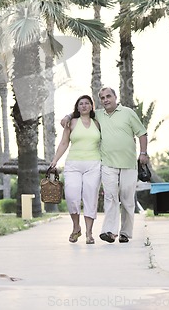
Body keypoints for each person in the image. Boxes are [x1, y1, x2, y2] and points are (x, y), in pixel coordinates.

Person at [61, 87, 148, 243]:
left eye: (108, 96)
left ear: (115, 97)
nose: (106, 99)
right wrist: (68, 115)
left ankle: (125, 233)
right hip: (107, 164)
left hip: (129, 164)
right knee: (110, 197)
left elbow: (142, 133)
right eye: (102, 98)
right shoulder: (98, 115)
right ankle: (110, 231)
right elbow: (81, 112)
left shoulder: (128, 113)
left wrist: (143, 153)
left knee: (127, 200)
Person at [50, 95, 101, 244]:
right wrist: (55, 160)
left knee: (90, 197)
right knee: (72, 196)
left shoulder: (97, 123)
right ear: (77, 108)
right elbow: (64, 143)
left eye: (87, 103)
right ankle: (76, 227)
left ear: (92, 106)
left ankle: (89, 233)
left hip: (94, 164)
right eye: (81, 104)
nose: (84, 106)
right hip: (73, 164)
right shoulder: (71, 122)